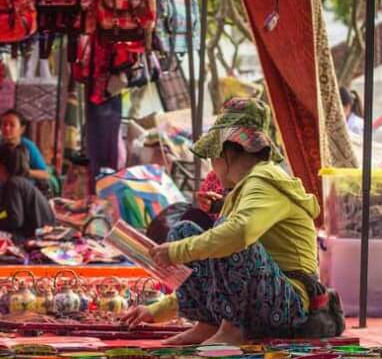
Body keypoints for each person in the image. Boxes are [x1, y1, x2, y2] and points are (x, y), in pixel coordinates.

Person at [121, 98, 324, 345]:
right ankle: (208, 324)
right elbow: (213, 277)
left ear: (226, 152)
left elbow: (239, 234)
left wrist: (175, 252)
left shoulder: (265, 179)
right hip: (266, 299)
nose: (212, 166)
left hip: (289, 304)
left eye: (213, 156)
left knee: (227, 236)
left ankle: (232, 329)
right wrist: (155, 311)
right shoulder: (245, 187)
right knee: (185, 231)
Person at [0, 142, 55, 242]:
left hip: (38, 233)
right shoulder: (18, 182)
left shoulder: (14, 183)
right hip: (38, 230)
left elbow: (15, 221)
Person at [0, 110, 49, 183]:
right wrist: (2, 175)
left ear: (22, 129)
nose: (7, 128)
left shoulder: (29, 146)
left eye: (12, 125)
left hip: (24, 190)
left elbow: (45, 174)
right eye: (4, 124)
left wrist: (26, 172)